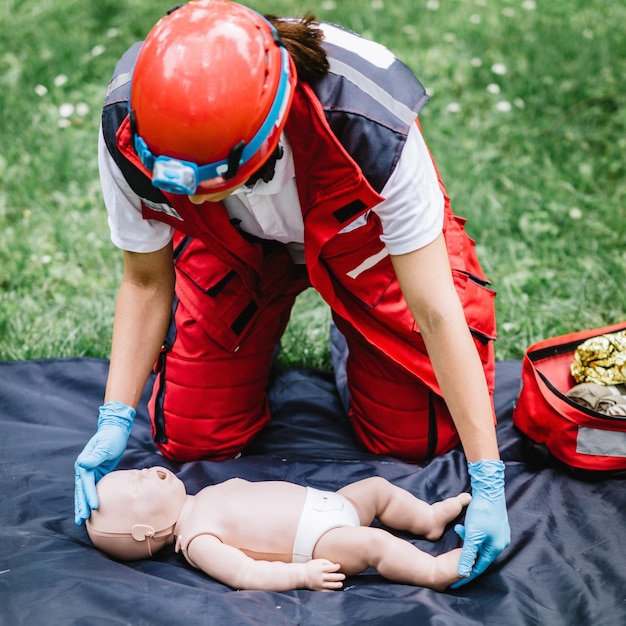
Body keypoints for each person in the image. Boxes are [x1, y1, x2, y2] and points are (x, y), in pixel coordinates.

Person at [74, 0, 510, 586]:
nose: (194, 194)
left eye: (214, 182)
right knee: (193, 434)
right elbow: (147, 279)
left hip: (361, 238)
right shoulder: (134, 120)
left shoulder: (371, 125)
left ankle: (354, 330)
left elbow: (435, 311)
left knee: (417, 439)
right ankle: (265, 328)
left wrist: (487, 475)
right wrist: (114, 416)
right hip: (231, 245)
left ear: (266, 140)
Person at [86, 466, 473, 592]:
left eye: (136, 470)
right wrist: (302, 575)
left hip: (331, 504)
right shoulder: (197, 540)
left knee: (375, 488)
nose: (148, 472)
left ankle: (427, 519)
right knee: (375, 543)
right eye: (139, 485)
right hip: (319, 541)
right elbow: (245, 573)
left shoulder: (201, 498)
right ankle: (432, 571)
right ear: (143, 531)